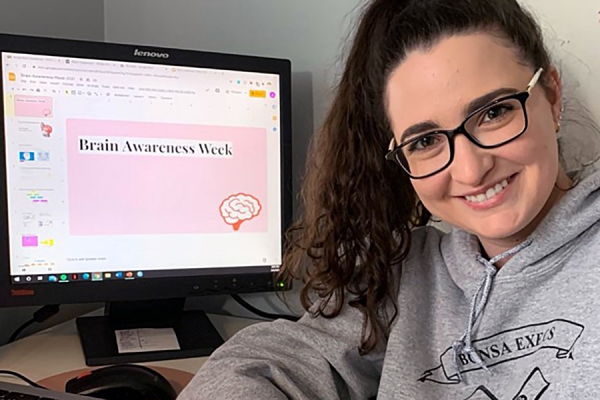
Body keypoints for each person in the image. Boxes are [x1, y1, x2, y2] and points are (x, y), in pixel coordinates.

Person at [178, 0, 600, 398]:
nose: (471, 170)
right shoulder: (405, 276)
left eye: (494, 112)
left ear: (552, 95)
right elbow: (259, 365)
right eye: (426, 141)